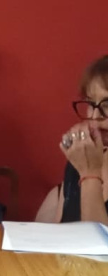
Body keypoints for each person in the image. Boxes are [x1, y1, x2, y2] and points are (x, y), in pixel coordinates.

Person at [36, 55, 108, 225]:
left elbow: (96, 241)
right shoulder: (82, 159)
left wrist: (90, 175)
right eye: (91, 104)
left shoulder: (87, 165)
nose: (94, 116)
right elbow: (62, 232)